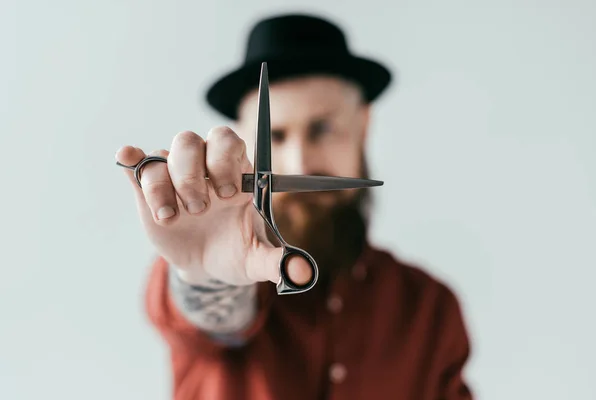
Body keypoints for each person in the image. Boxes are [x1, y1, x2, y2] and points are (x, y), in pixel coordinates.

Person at [115, 13, 474, 400]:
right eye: (275, 135)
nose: (301, 164)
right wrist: (206, 278)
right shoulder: (225, 276)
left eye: (322, 129)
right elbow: (214, 326)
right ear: (245, 141)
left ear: (363, 126)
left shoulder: (428, 309)